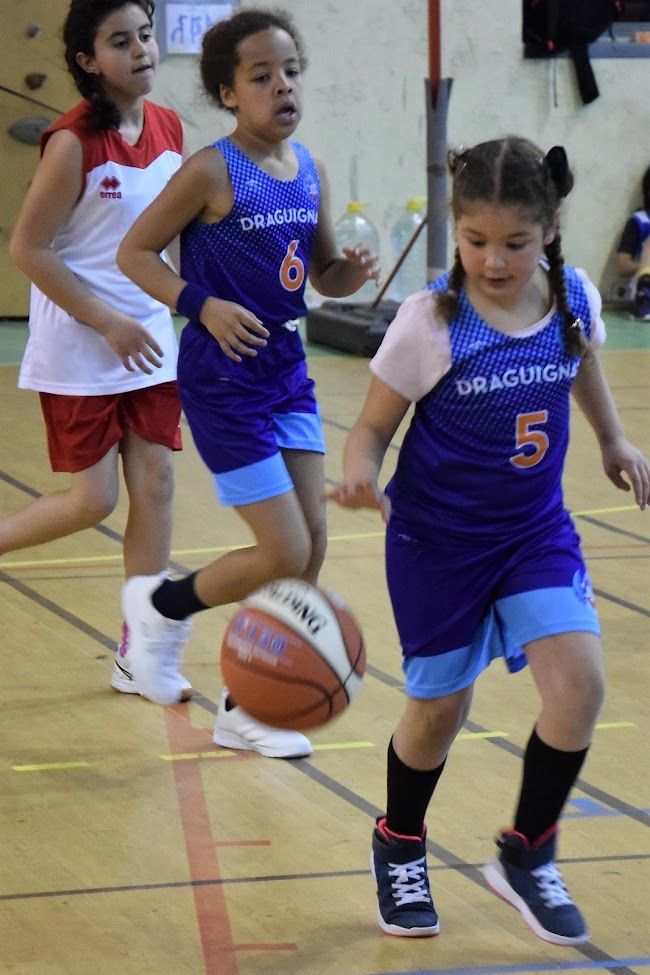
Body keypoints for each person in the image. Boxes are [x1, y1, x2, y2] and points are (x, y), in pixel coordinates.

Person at [328, 137, 650, 945]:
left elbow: (581, 359)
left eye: (515, 242)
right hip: (437, 543)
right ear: (457, 227)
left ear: (550, 230)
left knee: (579, 687)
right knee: (439, 709)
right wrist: (360, 474)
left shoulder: (571, 294)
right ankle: (401, 842)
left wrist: (613, 438)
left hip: (534, 530)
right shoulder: (431, 320)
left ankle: (527, 852)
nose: (494, 261)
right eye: (475, 241)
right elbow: (371, 428)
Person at [116, 8, 379, 757]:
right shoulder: (211, 170)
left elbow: (320, 275)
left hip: (287, 369)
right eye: (262, 76)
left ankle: (247, 704)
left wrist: (349, 274)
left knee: (312, 544)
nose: (282, 86)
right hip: (223, 378)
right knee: (281, 549)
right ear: (228, 94)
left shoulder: (309, 169)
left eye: (291, 71)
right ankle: (164, 605)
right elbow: (135, 254)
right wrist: (200, 303)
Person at [6, 0, 191, 700]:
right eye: (120, 41)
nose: (141, 49)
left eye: (145, 35)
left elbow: (173, 235)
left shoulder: (170, 127)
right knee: (93, 501)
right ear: (88, 60)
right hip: (83, 344)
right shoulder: (71, 142)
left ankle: (140, 650)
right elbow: (30, 249)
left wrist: (195, 302)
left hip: (150, 337)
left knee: (158, 483)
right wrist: (108, 321)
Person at [615, 164, 650, 320]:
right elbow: (623, 267)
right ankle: (645, 298)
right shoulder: (640, 221)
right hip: (644, 280)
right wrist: (646, 265)